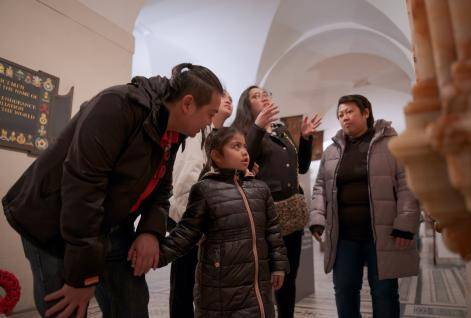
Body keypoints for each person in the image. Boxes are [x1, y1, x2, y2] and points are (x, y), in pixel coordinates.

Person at [2, 63, 223, 318]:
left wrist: (150, 231)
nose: (209, 123)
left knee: (131, 306)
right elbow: (83, 188)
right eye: (210, 113)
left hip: (109, 225)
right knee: (67, 310)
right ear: (187, 103)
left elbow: (162, 186)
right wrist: (83, 277)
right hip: (54, 223)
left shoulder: (174, 130)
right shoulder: (117, 105)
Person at [151, 127, 289, 317]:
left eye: (244, 146)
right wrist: (155, 256)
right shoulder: (205, 190)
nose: (244, 152)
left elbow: (273, 231)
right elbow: (186, 233)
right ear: (216, 155)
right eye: (236, 146)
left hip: (258, 289)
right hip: (221, 291)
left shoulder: (260, 189)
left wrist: (279, 266)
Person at [309, 94, 420, 318]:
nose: (344, 118)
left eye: (349, 112)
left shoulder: (391, 144)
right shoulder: (332, 151)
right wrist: (317, 218)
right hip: (344, 238)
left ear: (366, 112)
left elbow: (407, 184)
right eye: (340, 114)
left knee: (385, 293)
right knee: (344, 292)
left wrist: (405, 224)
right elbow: (320, 186)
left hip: (382, 235)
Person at [231, 86, 321, 317]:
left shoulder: (281, 130)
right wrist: (258, 127)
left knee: (288, 277)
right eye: (255, 96)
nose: (262, 97)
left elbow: (301, 166)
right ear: (246, 104)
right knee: (264, 278)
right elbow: (243, 165)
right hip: (263, 217)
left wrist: (306, 138)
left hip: (291, 215)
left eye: (265, 94)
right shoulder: (241, 132)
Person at [168, 90, 233, 318]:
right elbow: (186, 182)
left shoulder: (221, 136)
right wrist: (194, 225)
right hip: (191, 222)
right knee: (185, 286)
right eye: (224, 96)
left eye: (231, 98)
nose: (228, 100)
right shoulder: (197, 133)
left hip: (208, 222)